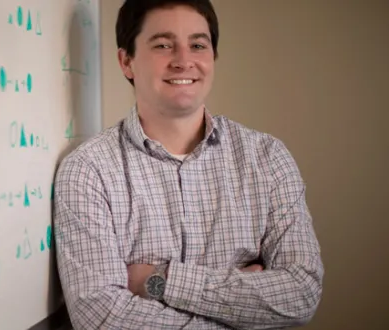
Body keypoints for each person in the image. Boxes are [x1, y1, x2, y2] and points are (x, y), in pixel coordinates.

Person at [52, 0, 324, 329]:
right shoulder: (87, 171)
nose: (183, 61)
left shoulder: (268, 158)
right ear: (127, 62)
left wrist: (159, 280)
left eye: (197, 45)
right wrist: (244, 308)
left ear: (213, 57)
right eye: (164, 45)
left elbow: (301, 294)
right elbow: (102, 318)